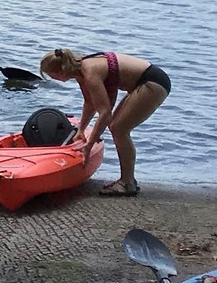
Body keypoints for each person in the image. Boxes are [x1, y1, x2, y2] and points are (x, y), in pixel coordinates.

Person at [38, 47, 173, 196]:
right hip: (143, 81)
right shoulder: (80, 70)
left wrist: (89, 145)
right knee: (116, 127)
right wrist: (81, 129)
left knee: (119, 128)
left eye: (52, 75)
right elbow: (90, 103)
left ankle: (127, 183)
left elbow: (104, 113)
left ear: (60, 71)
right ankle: (128, 181)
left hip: (153, 81)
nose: (52, 78)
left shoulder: (89, 73)